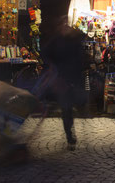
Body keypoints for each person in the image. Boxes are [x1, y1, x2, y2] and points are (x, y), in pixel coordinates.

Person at [41, 21, 87, 150]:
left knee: (77, 102)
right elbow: (45, 53)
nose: (65, 27)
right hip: (62, 80)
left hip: (74, 78)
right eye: (63, 25)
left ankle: (75, 119)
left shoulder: (75, 40)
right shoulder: (57, 41)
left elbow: (81, 58)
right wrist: (51, 67)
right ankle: (70, 136)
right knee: (66, 109)